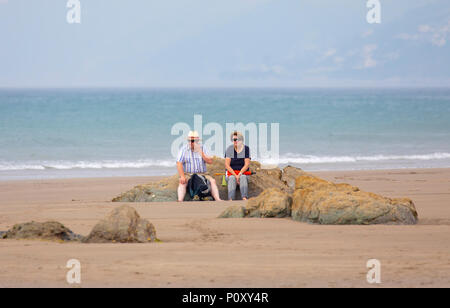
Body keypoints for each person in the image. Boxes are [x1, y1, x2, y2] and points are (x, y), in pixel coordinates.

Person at [176, 130, 222, 202]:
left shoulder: (203, 148)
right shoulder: (183, 149)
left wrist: (200, 152)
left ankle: (217, 199)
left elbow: (209, 161)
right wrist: (182, 176)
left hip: (202, 173)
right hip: (188, 173)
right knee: (182, 182)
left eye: (194, 141)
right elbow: (179, 163)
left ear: (197, 141)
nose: (192, 143)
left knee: (213, 181)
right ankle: (180, 200)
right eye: (190, 141)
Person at [225, 131, 251, 201]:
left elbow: (247, 164)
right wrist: (235, 175)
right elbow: (227, 165)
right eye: (234, 139)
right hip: (232, 173)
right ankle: (231, 199)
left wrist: (239, 174)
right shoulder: (229, 149)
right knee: (232, 178)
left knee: (242, 177)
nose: (236, 141)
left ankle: (244, 198)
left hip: (243, 173)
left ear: (241, 140)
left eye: (238, 139)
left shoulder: (246, 149)